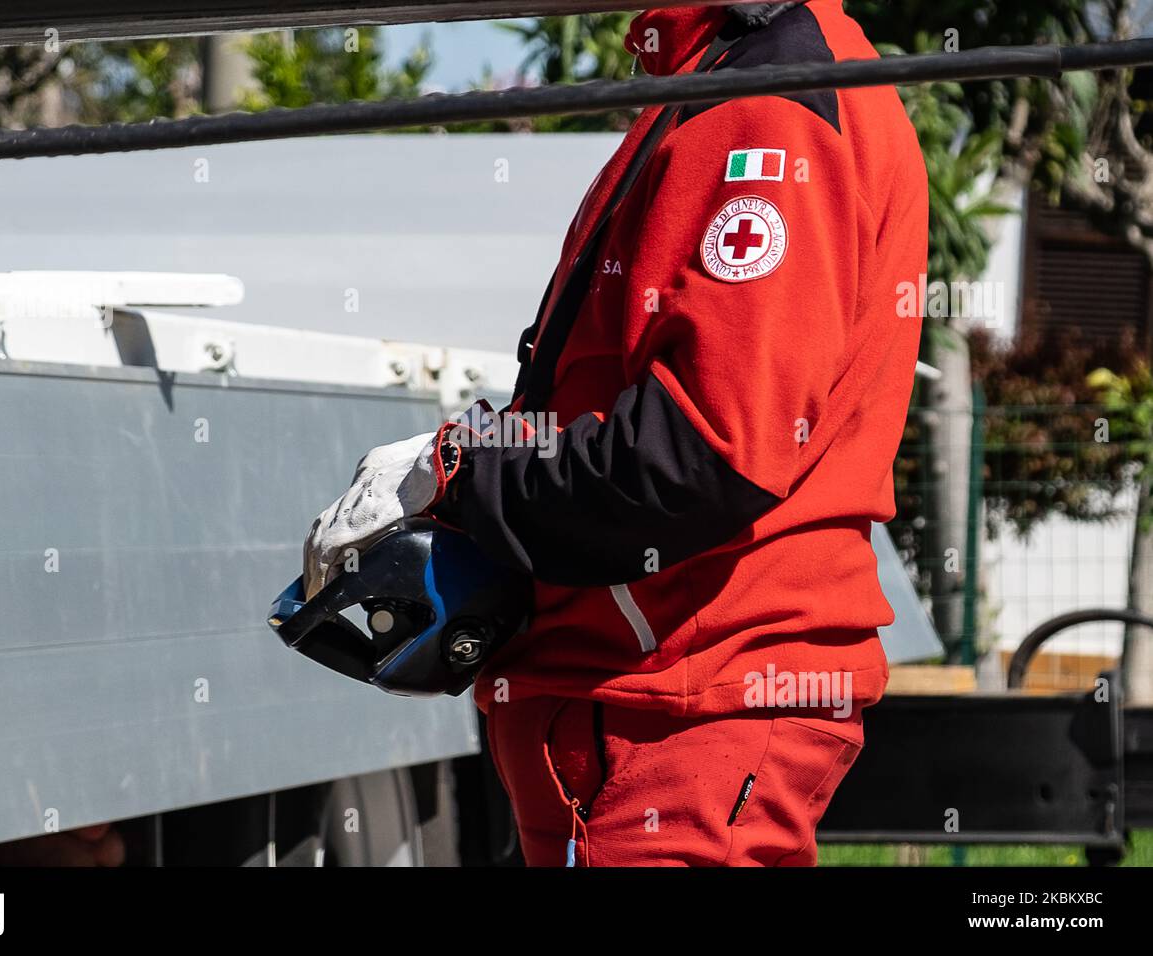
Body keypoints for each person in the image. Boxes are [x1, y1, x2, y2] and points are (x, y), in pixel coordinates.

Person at [304, 0, 928, 866]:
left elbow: (699, 454)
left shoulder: (766, 104)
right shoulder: (732, 81)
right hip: (653, 713)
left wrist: (460, 471)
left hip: (675, 714)